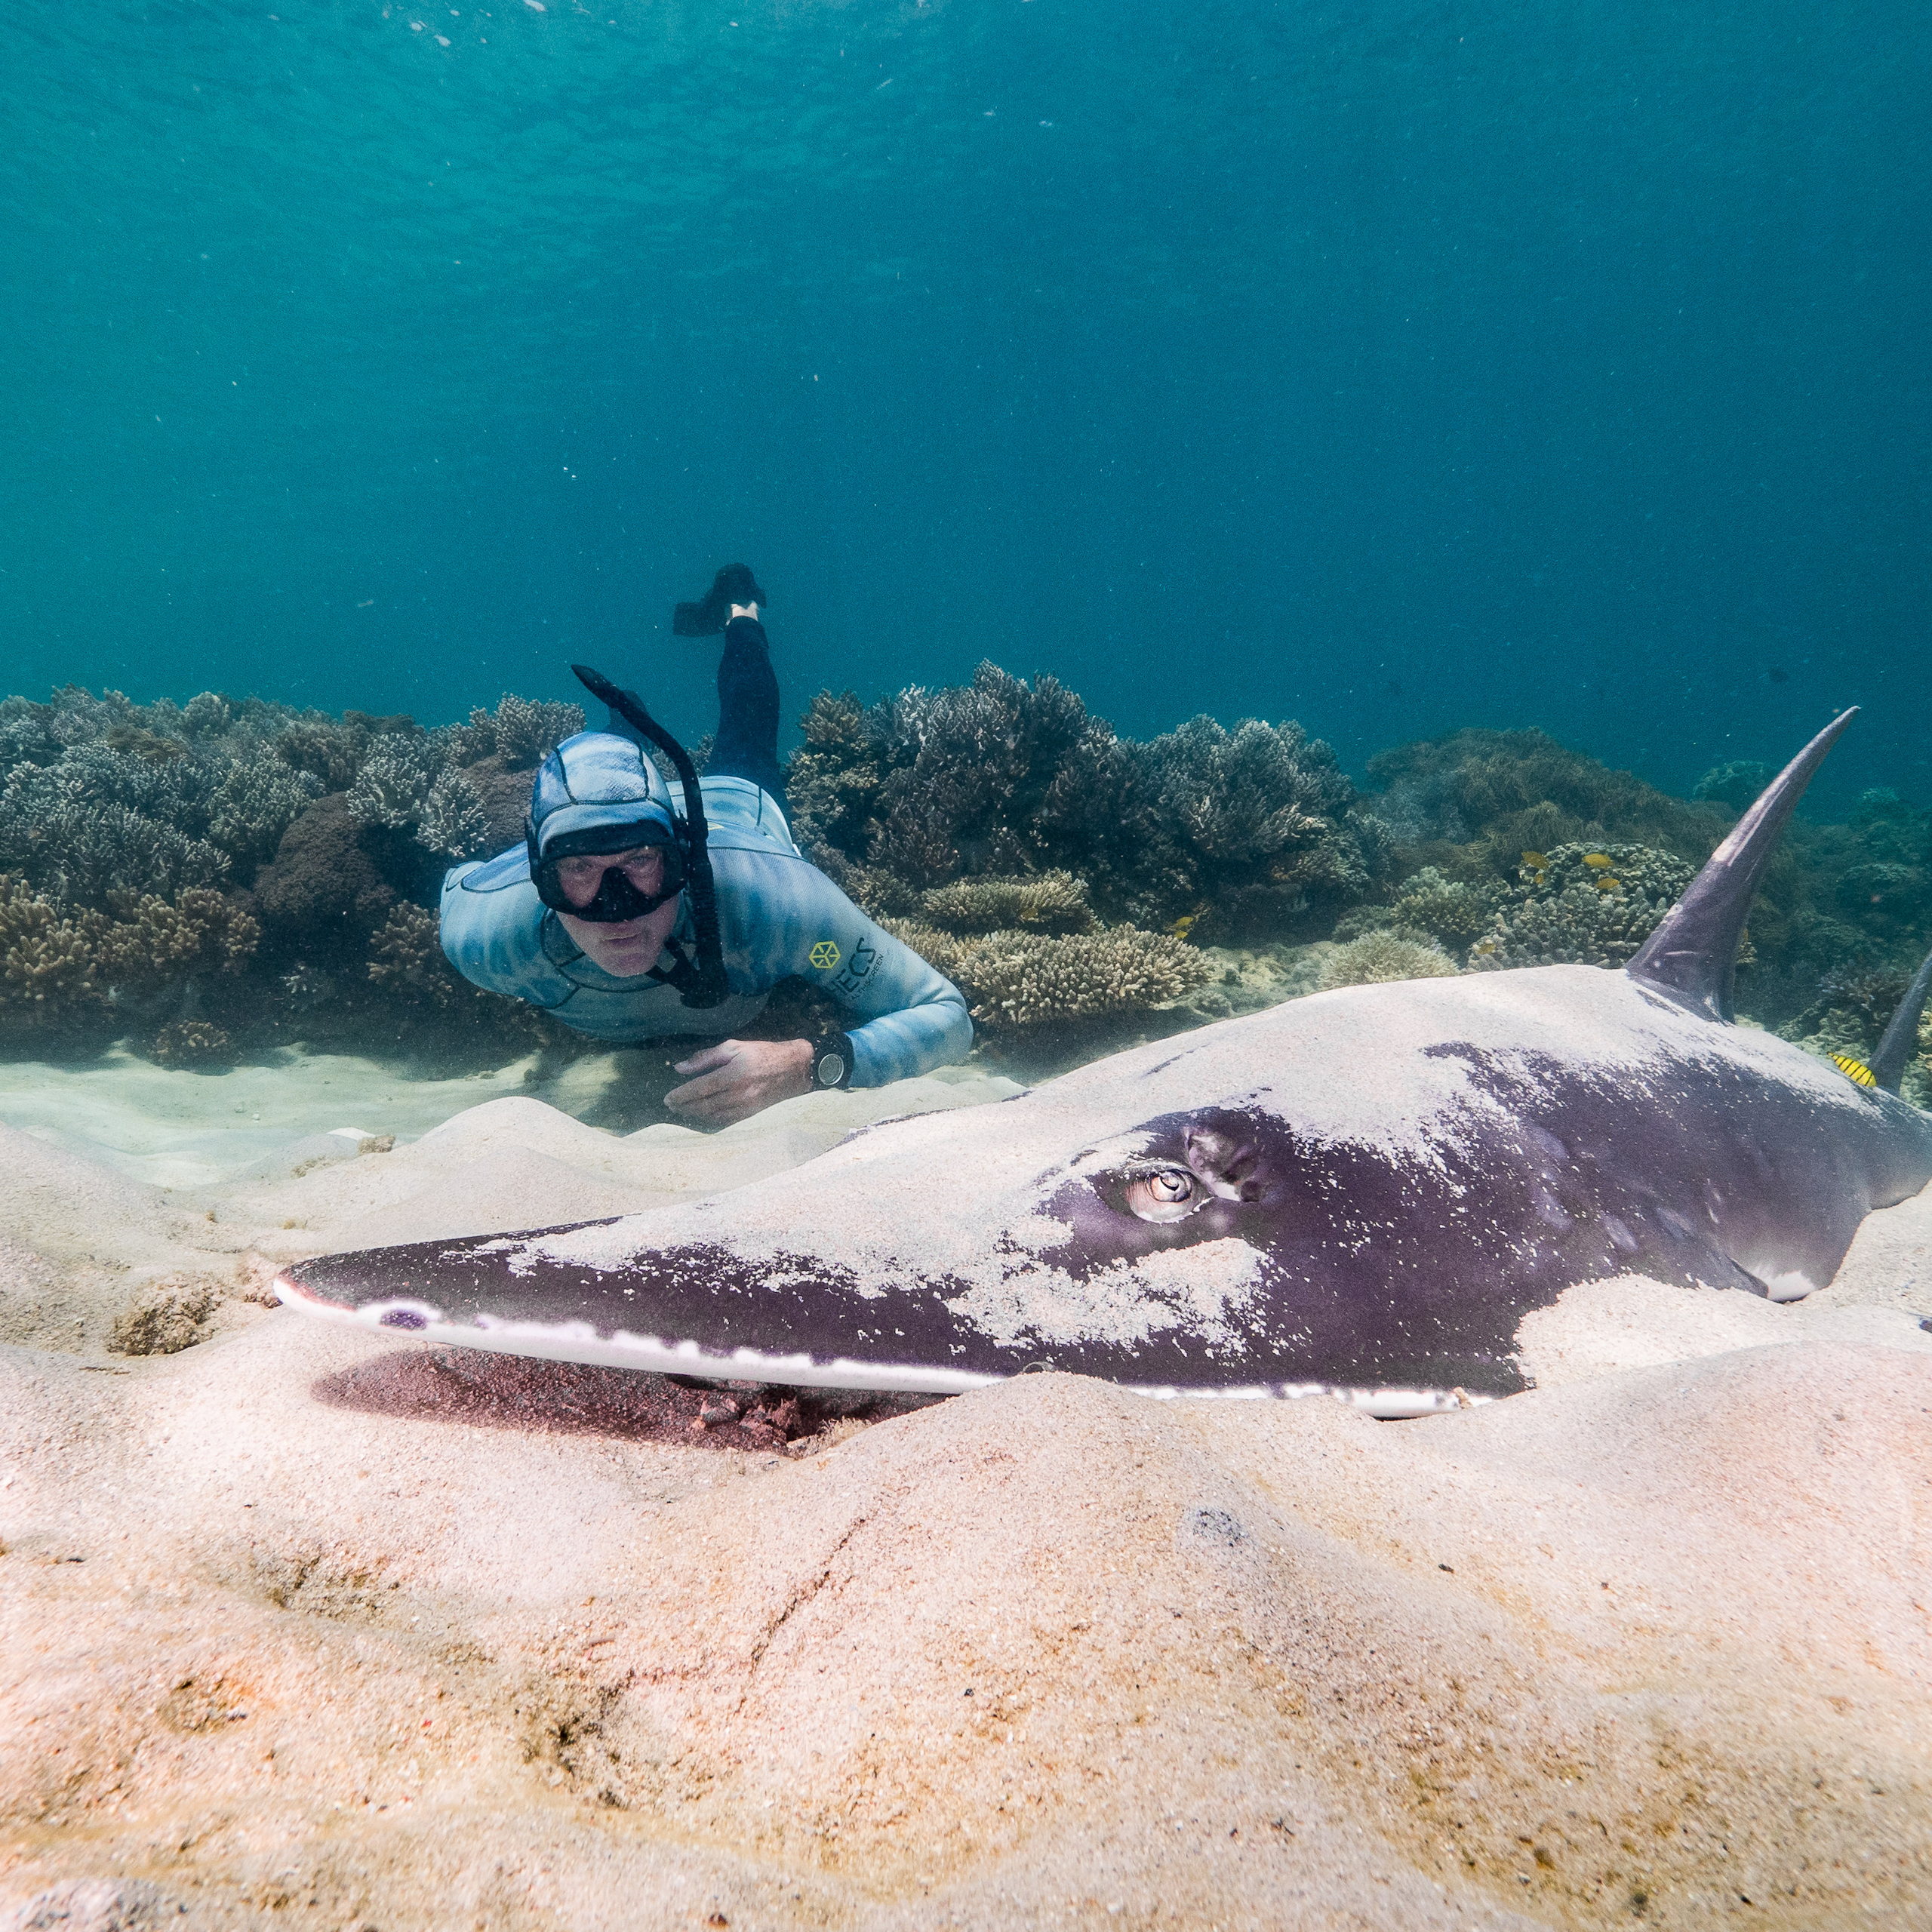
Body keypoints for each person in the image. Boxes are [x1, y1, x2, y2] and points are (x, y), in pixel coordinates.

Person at [438, 566, 972, 1125]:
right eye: (578, 868)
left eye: (641, 861)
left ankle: (740, 608)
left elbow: (945, 1016)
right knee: (622, 762)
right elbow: (463, 884)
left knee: (748, 723)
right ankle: (627, 725)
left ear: (685, 857)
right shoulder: (488, 937)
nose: (615, 906)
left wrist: (811, 1065)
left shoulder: (778, 909)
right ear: (540, 877)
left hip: (736, 806)